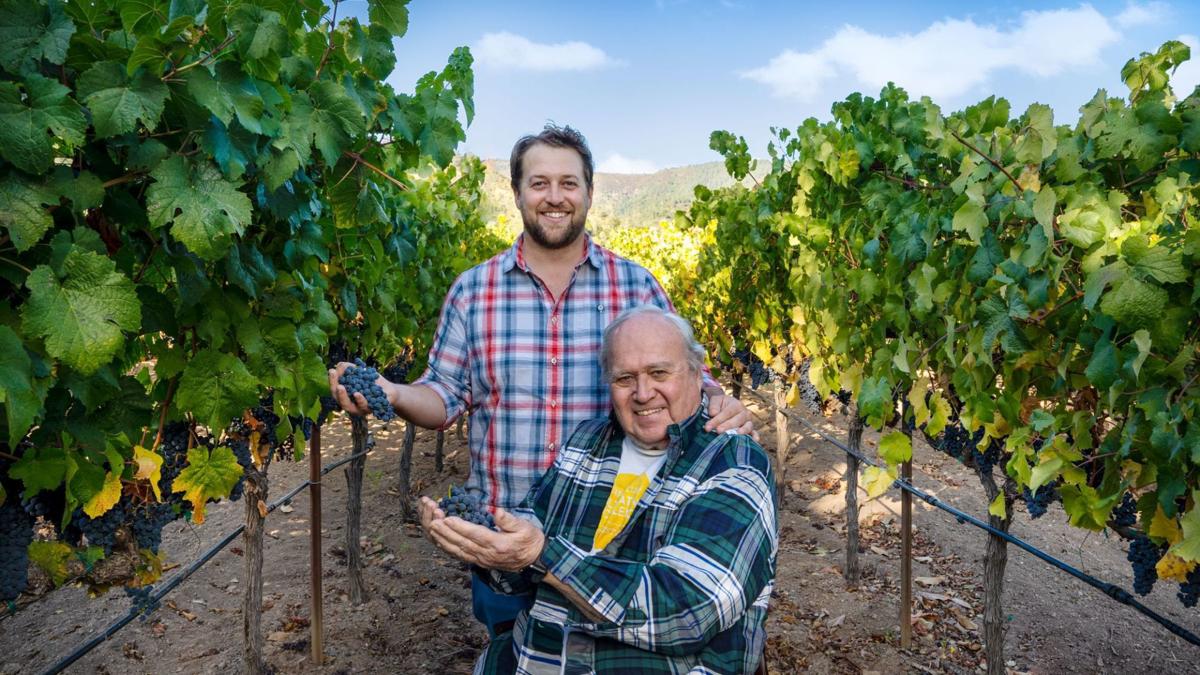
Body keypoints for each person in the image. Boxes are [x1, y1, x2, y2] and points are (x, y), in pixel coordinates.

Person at [328, 124, 755, 636]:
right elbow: (444, 395)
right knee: (514, 655)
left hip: (612, 547)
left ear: (590, 193)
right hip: (501, 540)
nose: (555, 197)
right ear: (516, 193)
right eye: (539, 183)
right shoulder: (474, 291)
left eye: (569, 183)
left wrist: (721, 402)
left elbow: (689, 383)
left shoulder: (637, 286)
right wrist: (392, 393)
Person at [419, 305, 777, 674]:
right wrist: (480, 542)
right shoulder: (588, 441)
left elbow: (685, 614)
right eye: (624, 378)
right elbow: (523, 553)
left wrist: (542, 556)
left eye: (658, 373)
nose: (642, 393)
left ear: (696, 372)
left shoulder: (733, 461)